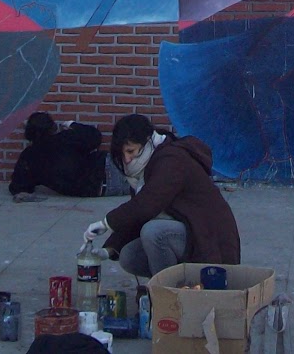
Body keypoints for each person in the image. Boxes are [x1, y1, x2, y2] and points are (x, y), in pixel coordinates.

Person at [81, 114, 240, 280]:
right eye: (123, 154)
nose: (127, 160)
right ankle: (177, 284)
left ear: (148, 141)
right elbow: (138, 215)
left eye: (131, 151)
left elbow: (147, 204)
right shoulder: (146, 169)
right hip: (189, 232)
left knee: (154, 233)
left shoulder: (172, 160)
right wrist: (109, 250)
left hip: (210, 238)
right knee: (129, 255)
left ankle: (167, 295)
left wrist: (106, 223)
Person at [9, 111, 108, 200]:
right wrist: (72, 124)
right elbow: (95, 136)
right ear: (53, 128)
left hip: (92, 191)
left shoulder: (28, 156)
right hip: (107, 173)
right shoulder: (67, 138)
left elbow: (17, 186)